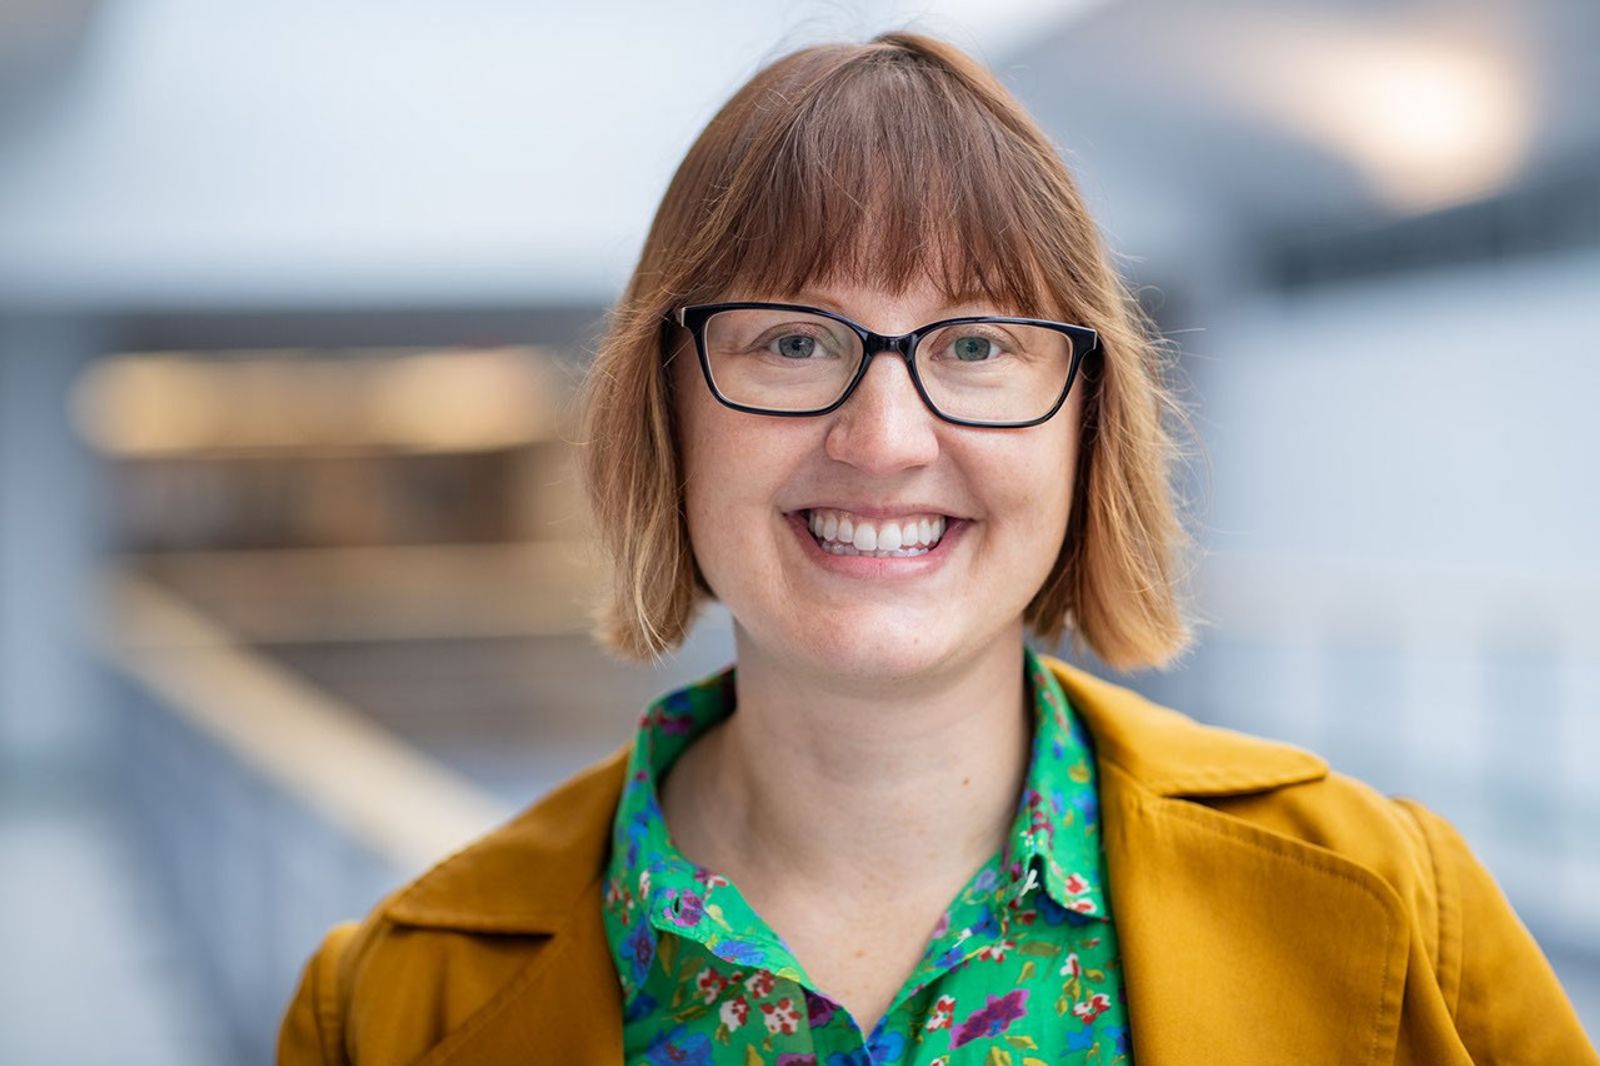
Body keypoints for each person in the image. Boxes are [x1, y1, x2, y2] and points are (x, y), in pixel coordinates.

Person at [278, 31, 1597, 1065]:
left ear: (1085, 424)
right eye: (793, 340)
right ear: (663, 414)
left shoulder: (1394, 906)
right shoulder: (387, 1008)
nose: (884, 437)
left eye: (974, 344)